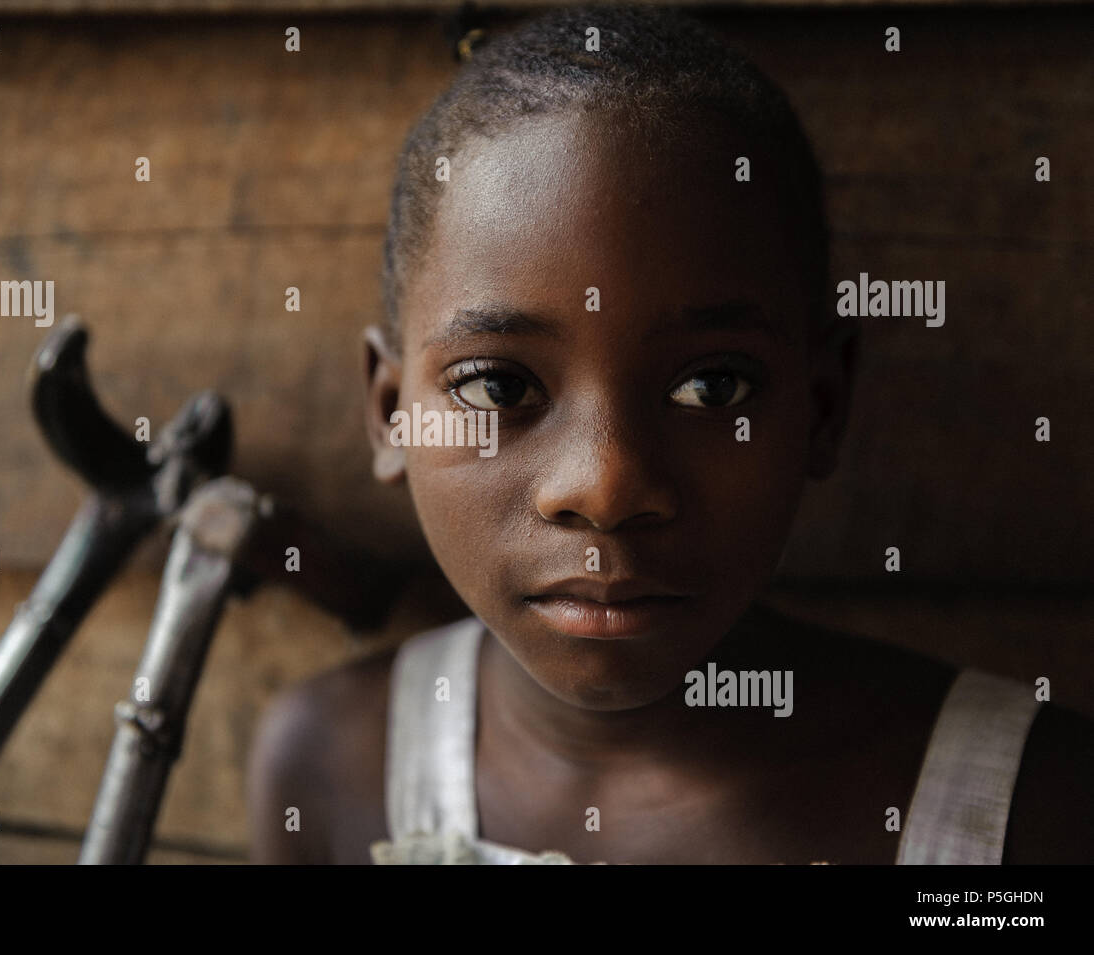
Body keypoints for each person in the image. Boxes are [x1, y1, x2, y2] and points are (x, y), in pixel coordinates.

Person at [246, 3, 1093, 864]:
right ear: (393, 412)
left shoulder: (1023, 813)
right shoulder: (332, 770)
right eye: (499, 384)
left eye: (711, 386)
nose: (606, 485)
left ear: (824, 406)